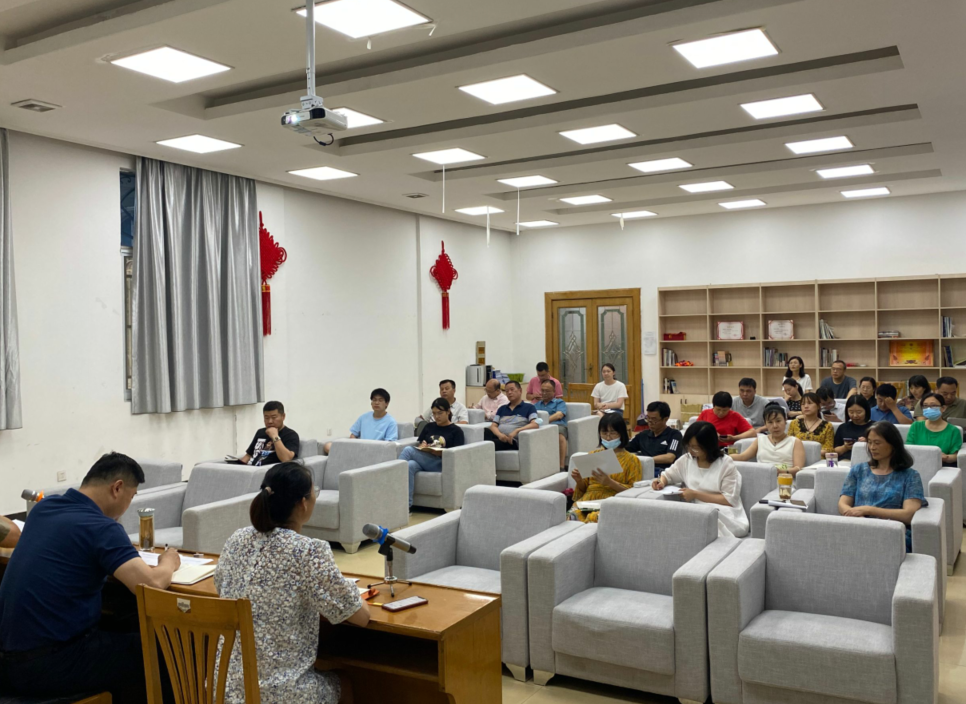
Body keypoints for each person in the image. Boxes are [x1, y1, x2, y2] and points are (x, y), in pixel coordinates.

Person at [0, 453, 181, 703]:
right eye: (131, 497)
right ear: (117, 488)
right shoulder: (102, 528)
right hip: (50, 665)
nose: (128, 506)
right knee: (167, 650)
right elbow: (151, 584)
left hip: (7, 662)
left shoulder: (44, 509)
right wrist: (169, 561)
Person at [215, 462, 369, 704]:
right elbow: (360, 616)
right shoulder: (308, 551)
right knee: (344, 682)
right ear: (303, 503)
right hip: (279, 695)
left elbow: (220, 585)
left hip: (223, 690)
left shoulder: (237, 539)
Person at [652, 421, 749, 538]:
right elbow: (668, 475)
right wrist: (661, 481)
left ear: (708, 446)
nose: (691, 450)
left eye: (695, 447)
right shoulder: (687, 460)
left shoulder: (726, 464)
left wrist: (695, 494)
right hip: (696, 510)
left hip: (723, 511)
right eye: (688, 446)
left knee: (705, 524)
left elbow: (729, 500)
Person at [839, 422, 925, 552]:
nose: (872, 447)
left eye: (877, 443)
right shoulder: (858, 470)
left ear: (893, 445)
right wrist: (855, 516)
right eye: (869, 442)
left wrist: (869, 510)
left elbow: (908, 515)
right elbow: (843, 503)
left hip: (891, 531)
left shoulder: (910, 476)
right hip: (858, 525)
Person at [570, 414, 642, 523]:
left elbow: (634, 493)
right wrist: (579, 480)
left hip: (611, 501)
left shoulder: (632, 460)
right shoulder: (593, 455)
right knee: (572, 515)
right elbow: (583, 489)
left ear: (621, 433)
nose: (608, 438)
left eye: (613, 433)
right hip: (588, 501)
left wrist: (610, 482)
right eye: (604, 433)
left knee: (594, 518)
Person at [400, 398, 465, 509]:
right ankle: (406, 507)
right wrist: (423, 446)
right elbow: (420, 444)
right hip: (426, 459)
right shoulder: (429, 426)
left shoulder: (456, 431)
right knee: (410, 465)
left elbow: (458, 455)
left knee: (408, 450)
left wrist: (441, 453)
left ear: (448, 412)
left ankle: (392, 478)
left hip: (441, 463)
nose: (436, 416)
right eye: (434, 413)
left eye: (440, 413)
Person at [733, 403, 805, 476]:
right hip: (762, 477)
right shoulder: (760, 440)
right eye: (770, 422)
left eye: (778, 421)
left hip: (784, 479)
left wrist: (781, 471)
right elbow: (742, 457)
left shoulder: (795, 442)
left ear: (785, 421)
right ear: (765, 424)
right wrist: (725, 456)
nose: (775, 426)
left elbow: (798, 468)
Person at [324, 388, 397, 454]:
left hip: (375, 451)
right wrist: (355, 446)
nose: (376, 403)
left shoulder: (390, 422)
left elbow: (389, 445)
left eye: (380, 400)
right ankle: (346, 456)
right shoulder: (364, 417)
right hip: (359, 449)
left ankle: (345, 456)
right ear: (371, 403)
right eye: (374, 400)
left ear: (386, 403)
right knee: (328, 446)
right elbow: (353, 435)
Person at [626, 401, 684, 477]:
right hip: (642, 470)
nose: (650, 422)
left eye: (654, 419)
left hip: (663, 473)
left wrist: (647, 460)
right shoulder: (643, 435)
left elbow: (670, 457)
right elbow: (626, 448)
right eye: (648, 418)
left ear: (665, 419)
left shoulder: (674, 435)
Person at [907, 392, 964, 466]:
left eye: (933, 405)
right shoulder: (916, 426)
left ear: (943, 408)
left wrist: (946, 457)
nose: (929, 409)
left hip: (942, 466)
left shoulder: (953, 430)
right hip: (917, 464)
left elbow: (956, 455)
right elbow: (909, 448)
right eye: (925, 406)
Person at [239, 400, 300, 466]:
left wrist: (275, 436)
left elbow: (286, 459)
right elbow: (248, 455)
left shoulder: (290, 435)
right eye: (266, 418)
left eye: (274, 417)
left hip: (270, 470)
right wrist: (238, 467)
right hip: (251, 469)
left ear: (283, 416)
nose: (270, 421)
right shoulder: (260, 432)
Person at [484, 381, 540, 451]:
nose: (509, 392)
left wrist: (516, 430)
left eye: (512, 389)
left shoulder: (529, 407)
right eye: (507, 391)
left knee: (489, 444)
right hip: (500, 437)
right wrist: (500, 435)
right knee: (485, 431)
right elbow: (493, 426)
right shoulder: (502, 408)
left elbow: (535, 424)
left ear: (520, 391)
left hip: (512, 440)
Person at [534, 379, 569, 471]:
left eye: (547, 391)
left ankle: (561, 466)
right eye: (542, 390)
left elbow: (559, 415)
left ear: (554, 391)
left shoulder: (559, 402)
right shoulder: (536, 405)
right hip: (541, 427)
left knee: (560, 435)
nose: (544, 393)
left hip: (557, 425)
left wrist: (544, 420)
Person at [788, 392, 835, 457]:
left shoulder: (828, 426)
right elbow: (789, 444)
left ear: (818, 406)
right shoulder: (794, 423)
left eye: (810, 403)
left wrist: (811, 453)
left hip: (818, 459)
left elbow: (829, 449)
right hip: (797, 457)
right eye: (803, 404)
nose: (806, 406)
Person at [833, 395, 874, 461]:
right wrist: (845, 447)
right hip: (845, 461)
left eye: (859, 412)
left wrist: (868, 443)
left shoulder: (875, 427)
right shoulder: (843, 427)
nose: (855, 415)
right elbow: (833, 451)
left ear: (866, 410)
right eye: (851, 412)